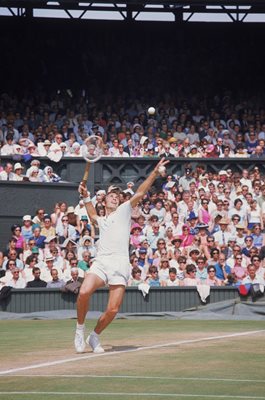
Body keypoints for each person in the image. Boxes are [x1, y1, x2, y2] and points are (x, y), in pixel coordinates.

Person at [75, 157, 169, 354]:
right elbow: (92, 214)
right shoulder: (100, 219)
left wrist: (153, 172)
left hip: (120, 263)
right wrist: (85, 197)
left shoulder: (124, 210)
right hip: (101, 262)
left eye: (118, 196)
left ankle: (94, 336)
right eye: (112, 196)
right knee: (84, 292)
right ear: (105, 200)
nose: (115, 197)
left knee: (113, 310)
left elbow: (141, 191)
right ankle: (80, 329)